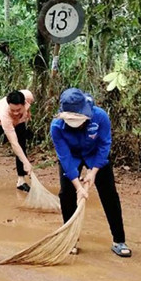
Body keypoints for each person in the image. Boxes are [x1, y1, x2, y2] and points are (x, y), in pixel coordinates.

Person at [51, 88, 131, 258]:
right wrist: (78, 187)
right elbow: (65, 158)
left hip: (95, 154)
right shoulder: (57, 126)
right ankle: (71, 239)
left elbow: (104, 145)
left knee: (109, 193)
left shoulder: (100, 116)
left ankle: (119, 240)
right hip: (72, 156)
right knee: (66, 193)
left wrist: (93, 172)